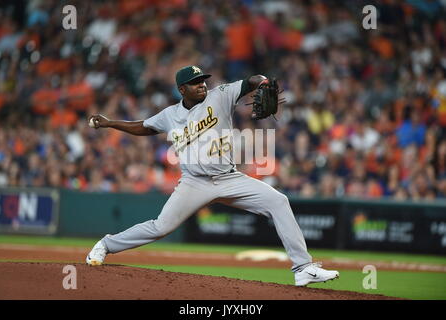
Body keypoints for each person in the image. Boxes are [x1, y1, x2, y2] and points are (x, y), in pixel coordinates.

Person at [85, 65, 339, 286]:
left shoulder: (220, 95)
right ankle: (107, 245)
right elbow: (143, 127)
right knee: (161, 227)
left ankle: (303, 268)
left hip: (229, 179)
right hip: (194, 183)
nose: (201, 85)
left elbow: (250, 81)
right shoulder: (170, 115)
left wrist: (262, 82)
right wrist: (110, 123)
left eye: (202, 80)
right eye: (195, 83)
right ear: (181, 89)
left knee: (278, 201)